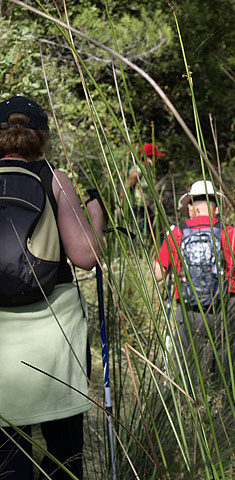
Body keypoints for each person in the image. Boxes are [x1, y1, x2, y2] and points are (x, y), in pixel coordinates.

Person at [0, 96, 104, 479]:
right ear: (41, 136)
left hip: (0, 343)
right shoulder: (54, 178)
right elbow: (85, 256)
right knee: (65, 449)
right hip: (53, 337)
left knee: (7, 453)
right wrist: (95, 214)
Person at [154, 180, 235, 386]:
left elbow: (158, 274)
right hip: (225, 309)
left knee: (190, 366)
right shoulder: (231, 233)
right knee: (227, 368)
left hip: (189, 310)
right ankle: (225, 408)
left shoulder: (177, 233)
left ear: (190, 207)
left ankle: (191, 408)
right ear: (216, 209)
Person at [125, 142, 165, 237]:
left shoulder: (147, 169)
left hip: (144, 206)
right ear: (149, 157)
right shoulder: (138, 170)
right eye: (155, 156)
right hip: (138, 207)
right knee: (153, 232)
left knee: (158, 231)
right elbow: (127, 186)